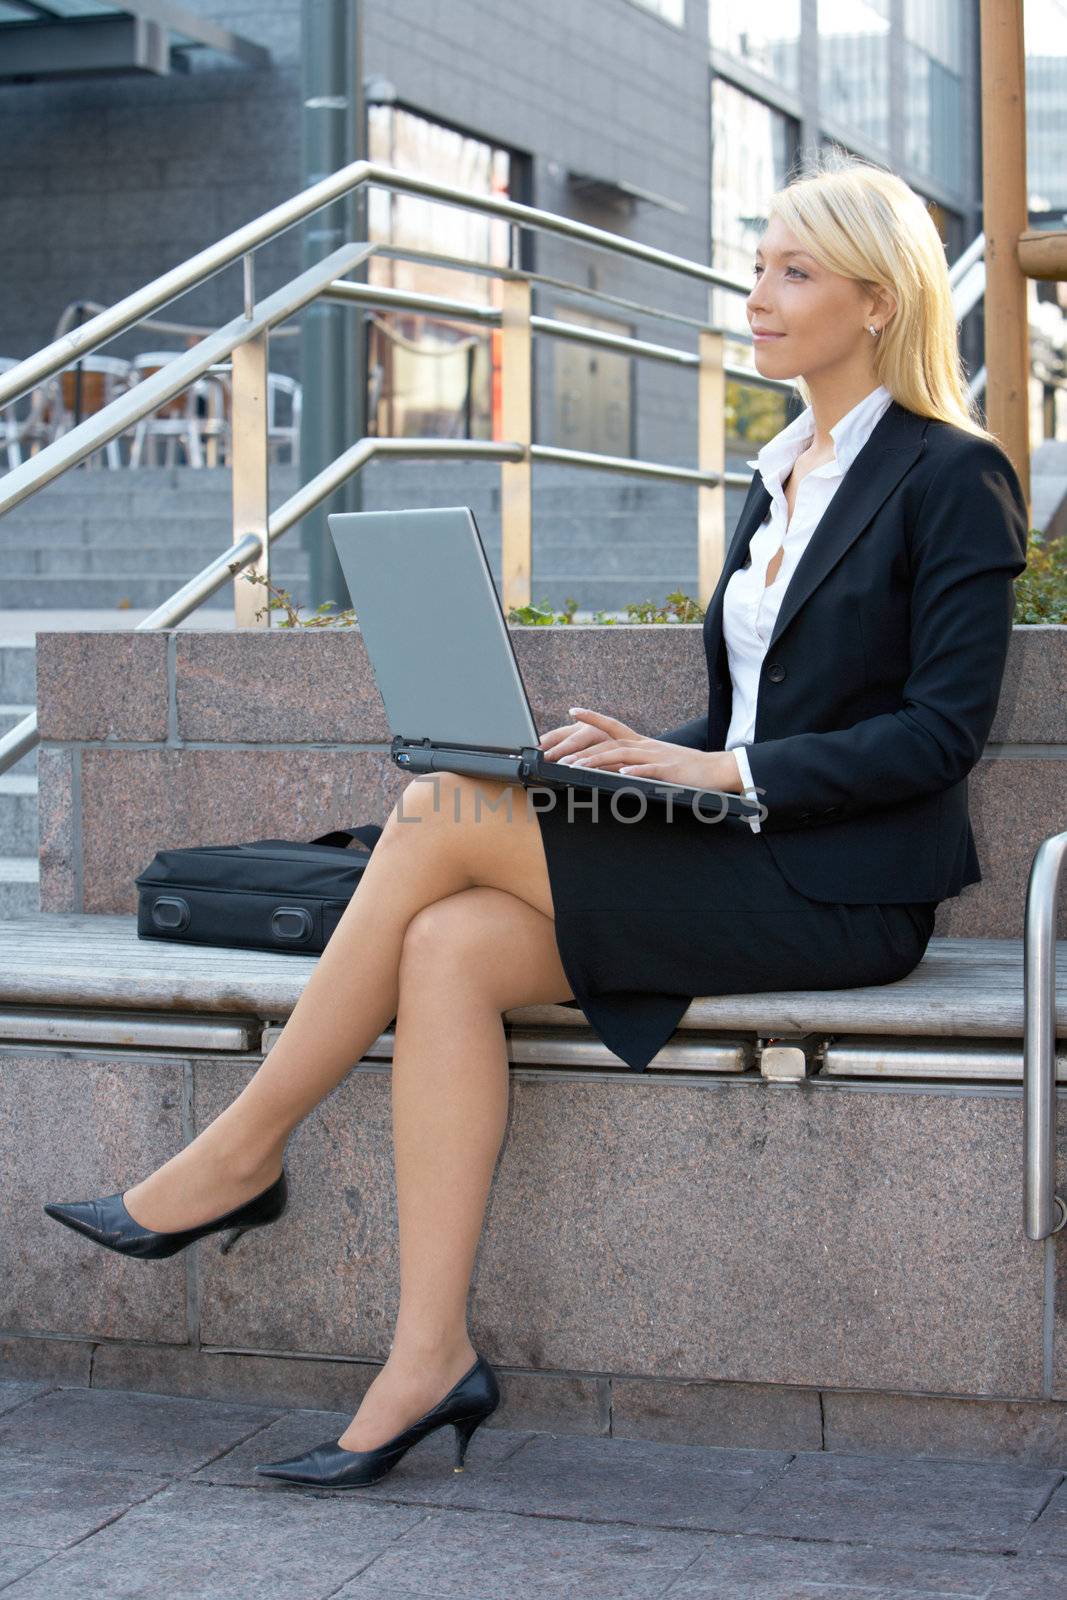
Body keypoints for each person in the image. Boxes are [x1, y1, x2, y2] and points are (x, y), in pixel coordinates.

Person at [42, 146, 1029, 1491]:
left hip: (841, 888)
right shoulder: (777, 471)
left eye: (794, 271)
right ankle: (428, 1356)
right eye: (756, 268)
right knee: (447, 944)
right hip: (736, 844)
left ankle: (239, 1152)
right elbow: (749, 710)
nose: (758, 295)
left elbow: (938, 734)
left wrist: (722, 779)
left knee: (445, 804)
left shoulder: (951, 476)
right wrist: (646, 754)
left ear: (877, 301)